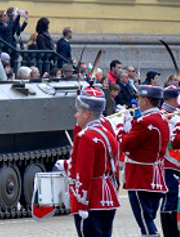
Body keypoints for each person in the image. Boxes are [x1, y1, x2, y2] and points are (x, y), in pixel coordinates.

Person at [56, 86, 119, 236]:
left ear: (87, 113)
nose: (75, 115)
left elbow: (84, 173)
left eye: (78, 111)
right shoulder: (107, 132)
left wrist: (82, 204)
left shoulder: (86, 137)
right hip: (108, 195)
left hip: (92, 199)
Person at [119, 85, 168, 236]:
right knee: (148, 218)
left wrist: (120, 127)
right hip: (155, 176)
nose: (138, 102)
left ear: (145, 101)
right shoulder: (161, 119)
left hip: (141, 177)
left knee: (145, 221)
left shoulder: (145, 122)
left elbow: (124, 144)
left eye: (139, 99)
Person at [160, 86, 180, 236]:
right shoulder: (166, 116)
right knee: (170, 199)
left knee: (173, 198)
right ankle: (170, 232)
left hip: (173, 163)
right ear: (174, 98)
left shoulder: (173, 114)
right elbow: (170, 143)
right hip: (169, 163)